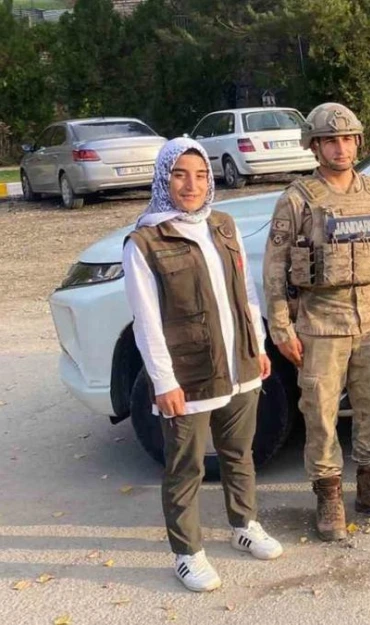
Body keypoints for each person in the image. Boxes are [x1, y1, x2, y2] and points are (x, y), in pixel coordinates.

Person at [123, 138, 283, 592]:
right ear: (163, 179)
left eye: (199, 175)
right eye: (179, 175)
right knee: (185, 467)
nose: (191, 185)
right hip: (188, 376)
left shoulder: (223, 225)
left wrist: (260, 346)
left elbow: (246, 293)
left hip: (240, 365)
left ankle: (244, 524)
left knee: (239, 453)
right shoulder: (145, 242)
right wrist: (163, 381)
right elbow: (147, 321)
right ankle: (187, 552)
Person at [263, 103, 370, 541]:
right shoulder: (297, 199)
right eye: (331, 139)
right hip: (321, 324)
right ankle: (329, 496)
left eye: (348, 139)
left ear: (358, 142)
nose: (341, 147)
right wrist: (281, 328)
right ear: (315, 146)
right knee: (321, 414)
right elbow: (275, 268)